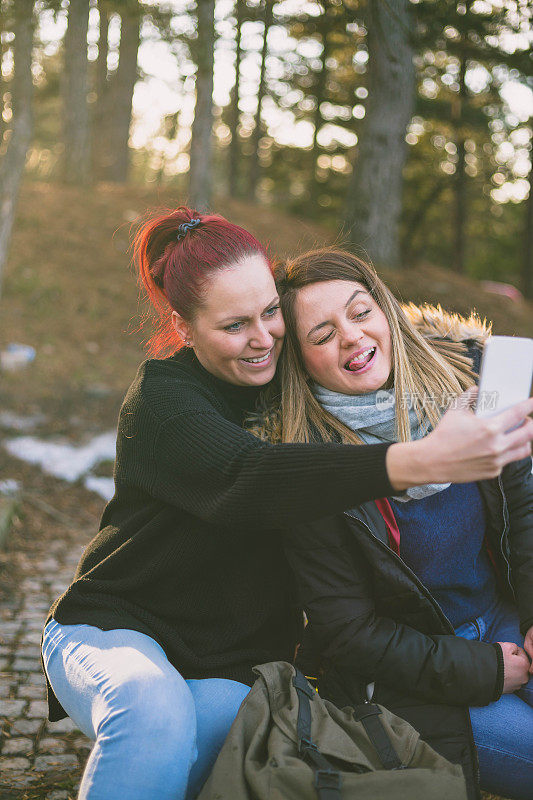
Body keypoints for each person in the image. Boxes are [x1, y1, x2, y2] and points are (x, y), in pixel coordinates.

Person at [40, 212, 533, 800]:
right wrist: (423, 460)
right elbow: (251, 477)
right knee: (152, 714)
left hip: (229, 667)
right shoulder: (169, 406)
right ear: (185, 327)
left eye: (270, 313)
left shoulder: (316, 376)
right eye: (234, 325)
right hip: (123, 628)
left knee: (193, 763)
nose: (263, 338)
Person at [266, 247, 533, 800]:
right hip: (420, 680)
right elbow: (349, 634)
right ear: (300, 358)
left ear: (385, 311)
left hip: (505, 618)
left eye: (360, 312)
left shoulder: (464, 388)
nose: (351, 337)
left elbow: (525, 511)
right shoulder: (308, 466)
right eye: (322, 334)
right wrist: (479, 669)